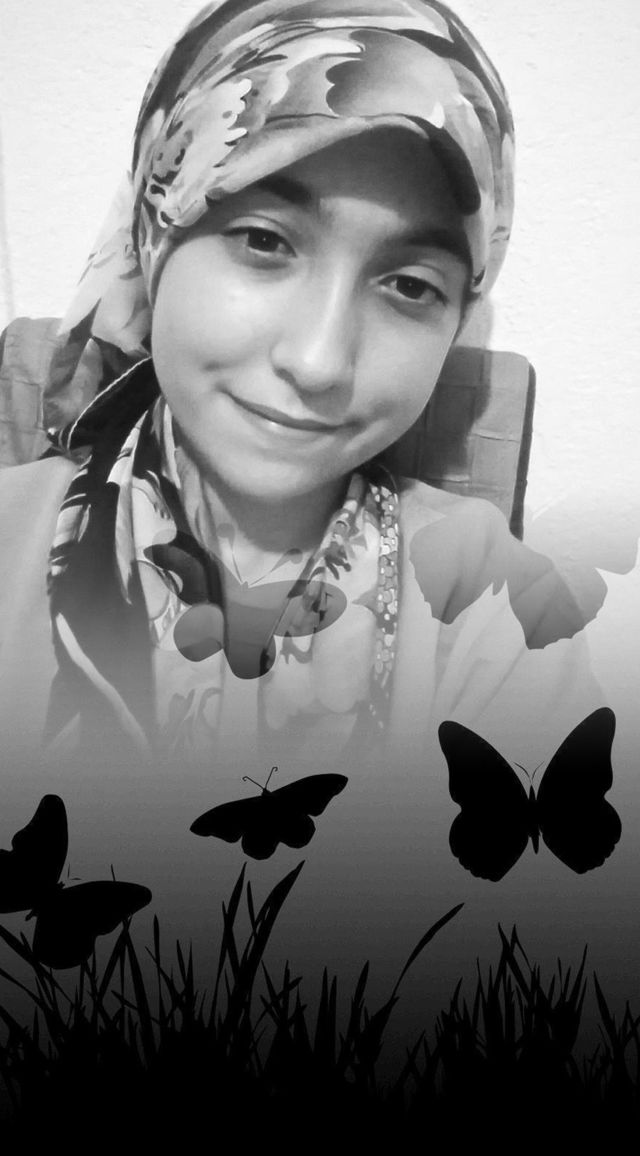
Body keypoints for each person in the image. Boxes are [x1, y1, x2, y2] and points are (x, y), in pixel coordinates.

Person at [0, 0, 610, 1072]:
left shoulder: (500, 615)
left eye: (410, 285)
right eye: (263, 241)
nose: (322, 360)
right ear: (156, 233)